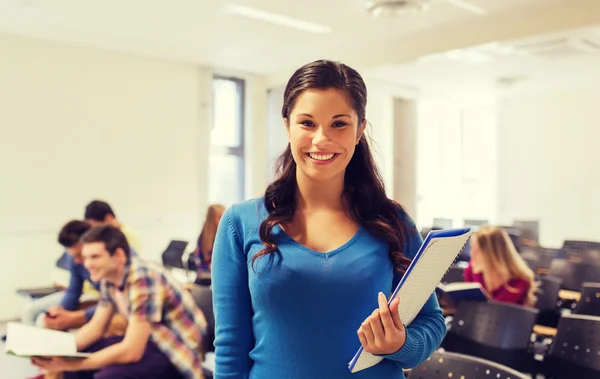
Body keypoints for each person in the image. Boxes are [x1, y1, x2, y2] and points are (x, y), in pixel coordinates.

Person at [211, 60, 446, 379]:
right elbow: (230, 348)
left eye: (339, 124)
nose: (321, 139)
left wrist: (400, 344)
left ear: (360, 128)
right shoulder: (239, 223)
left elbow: (431, 323)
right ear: (287, 125)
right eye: (307, 123)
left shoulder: (393, 221)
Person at [32, 225, 207, 379]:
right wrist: (57, 352)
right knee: (77, 361)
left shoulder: (144, 277)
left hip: (175, 350)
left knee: (108, 376)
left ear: (118, 255)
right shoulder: (109, 279)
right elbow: (95, 328)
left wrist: (72, 364)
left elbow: (132, 351)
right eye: (85, 257)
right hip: (149, 340)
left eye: (94, 257)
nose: (87, 264)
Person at [20, 220, 99, 331]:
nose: (77, 261)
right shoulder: (75, 260)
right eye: (73, 256)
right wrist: (60, 310)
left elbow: (111, 304)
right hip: (97, 300)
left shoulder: (109, 264)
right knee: (37, 317)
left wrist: (75, 317)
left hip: (96, 299)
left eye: (80, 255)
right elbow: (73, 291)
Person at [464, 225, 537, 306]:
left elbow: (496, 310)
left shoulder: (519, 280)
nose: (471, 254)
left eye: (477, 251)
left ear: (492, 255)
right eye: (472, 249)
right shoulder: (471, 269)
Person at [192, 204, 225, 273]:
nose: (223, 220)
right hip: (207, 276)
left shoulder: (225, 235)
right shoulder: (203, 238)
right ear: (211, 220)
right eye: (219, 217)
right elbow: (199, 262)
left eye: (224, 217)